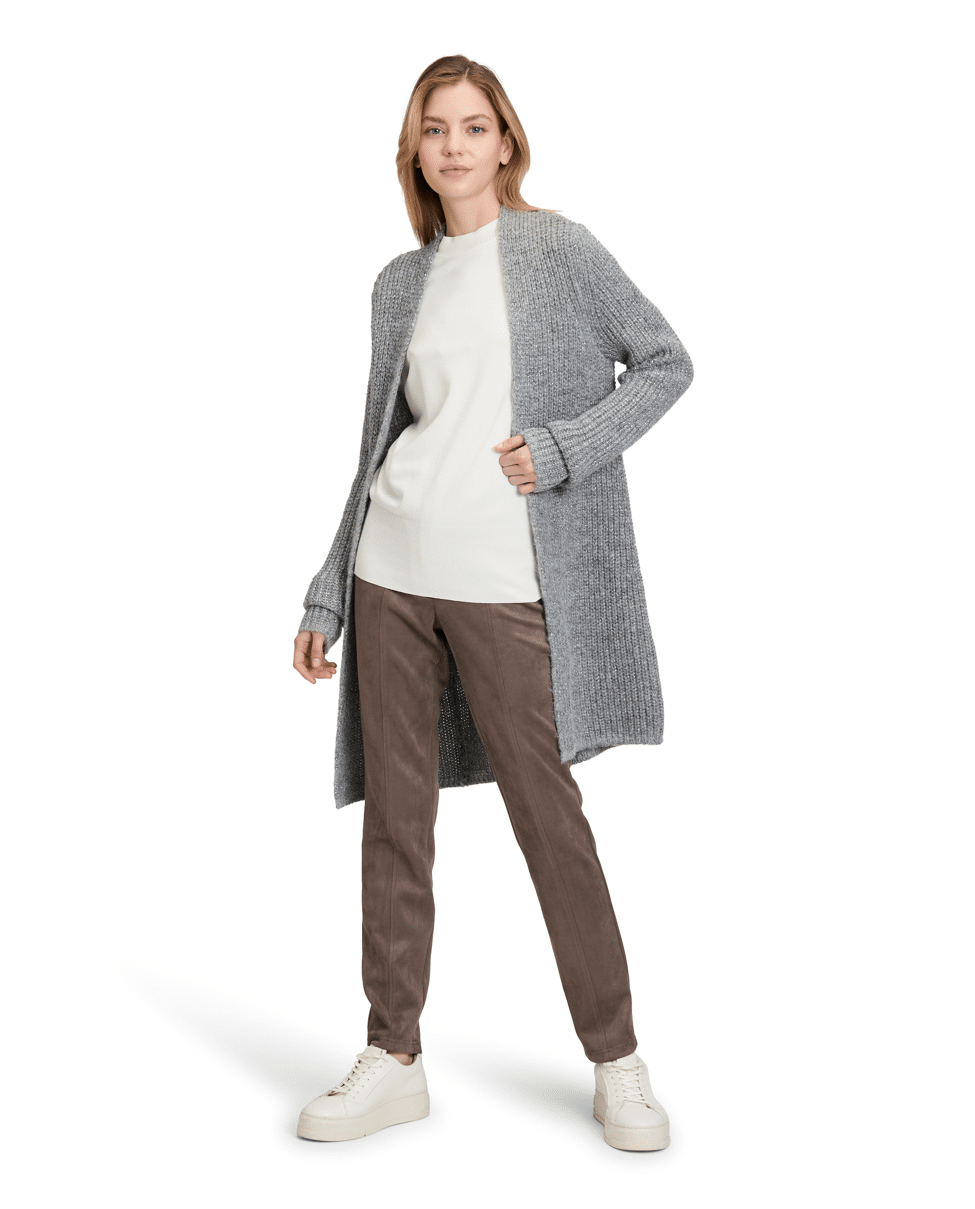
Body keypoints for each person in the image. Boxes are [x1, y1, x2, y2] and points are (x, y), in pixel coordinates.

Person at [291, 55, 693, 1151]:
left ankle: (617, 1059)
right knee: (395, 822)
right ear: (415, 151)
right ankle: (393, 1056)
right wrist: (329, 591)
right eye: (436, 129)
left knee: (548, 818)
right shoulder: (399, 283)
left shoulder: (559, 250)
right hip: (390, 572)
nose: (456, 146)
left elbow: (665, 362)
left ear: (507, 141)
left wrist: (563, 447)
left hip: (507, 581)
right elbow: (376, 445)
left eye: (475, 126)